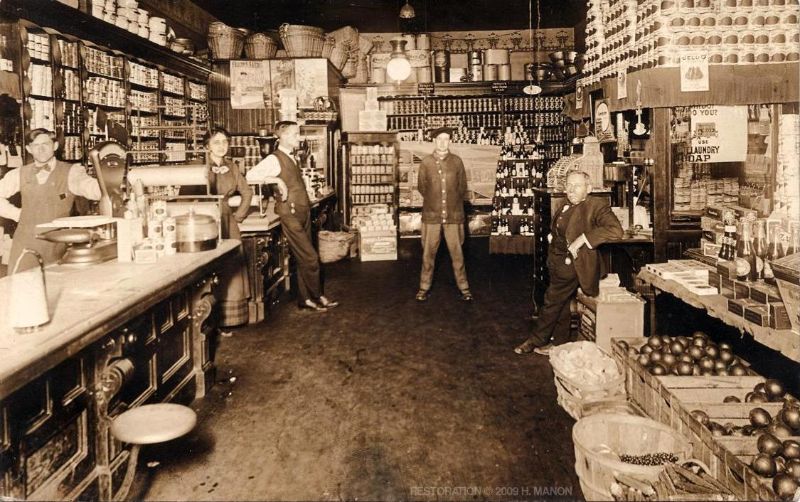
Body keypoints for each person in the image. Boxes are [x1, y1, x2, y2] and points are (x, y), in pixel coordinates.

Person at [514, 170, 623, 356]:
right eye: (569, 185)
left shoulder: (596, 205)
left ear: (588, 189)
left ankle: (536, 339)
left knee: (552, 300)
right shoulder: (566, 204)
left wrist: (583, 239)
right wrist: (553, 236)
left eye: (577, 186)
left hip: (573, 263)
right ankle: (559, 344)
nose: (571, 190)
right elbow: (562, 227)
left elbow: (615, 230)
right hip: (556, 260)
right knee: (562, 304)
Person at [246, 121, 338, 312]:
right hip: (290, 213)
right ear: (283, 136)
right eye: (295, 134)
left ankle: (306, 299)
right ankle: (317, 295)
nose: (299, 138)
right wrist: (276, 179)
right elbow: (250, 176)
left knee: (303, 257)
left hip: (302, 210)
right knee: (311, 257)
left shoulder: (292, 157)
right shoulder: (274, 159)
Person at [0, 128, 101, 272]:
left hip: (57, 245)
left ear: (55, 146)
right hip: (25, 246)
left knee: (55, 289)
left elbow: (93, 189)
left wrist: (108, 182)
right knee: (21, 290)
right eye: (36, 146)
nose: (41, 149)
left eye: (45, 144)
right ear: (29, 149)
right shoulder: (19, 174)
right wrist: (17, 214)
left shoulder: (71, 172)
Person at [415, 126, 473, 302]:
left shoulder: (457, 161)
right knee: (428, 253)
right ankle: (423, 288)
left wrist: (451, 202)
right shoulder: (426, 163)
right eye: (439, 139)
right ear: (434, 141)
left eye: (446, 139)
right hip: (431, 215)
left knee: (457, 253)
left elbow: (462, 187)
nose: (442, 142)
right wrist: (435, 200)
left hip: (453, 214)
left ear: (450, 141)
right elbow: (422, 187)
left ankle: (464, 288)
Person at [204, 126, 253, 328]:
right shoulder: (198, 167)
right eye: (216, 142)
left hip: (226, 220)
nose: (221, 146)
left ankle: (227, 321)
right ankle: (210, 321)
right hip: (206, 220)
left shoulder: (232, 167)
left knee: (231, 266)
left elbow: (247, 192)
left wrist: (238, 216)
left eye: (225, 142)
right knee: (209, 269)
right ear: (207, 146)